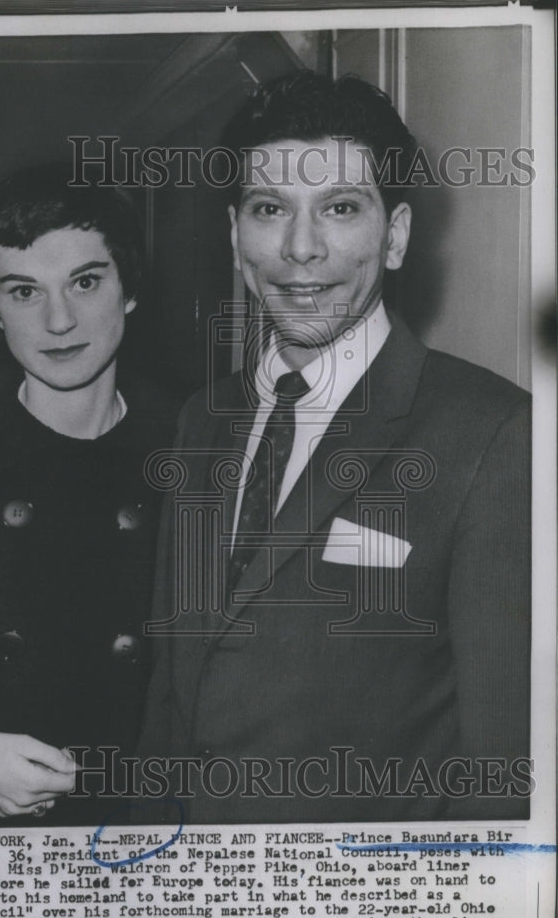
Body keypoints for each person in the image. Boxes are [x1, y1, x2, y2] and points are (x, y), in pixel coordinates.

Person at [136, 71, 531, 824]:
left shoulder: (494, 435)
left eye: (341, 209)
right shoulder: (201, 420)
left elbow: (499, 767)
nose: (300, 248)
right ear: (235, 234)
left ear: (396, 235)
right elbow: (170, 692)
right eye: (268, 209)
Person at [0, 164, 178, 827]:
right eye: (23, 292)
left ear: (129, 290)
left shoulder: (194, 448)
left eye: (85, 282)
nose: (58, 320)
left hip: (138, 821)